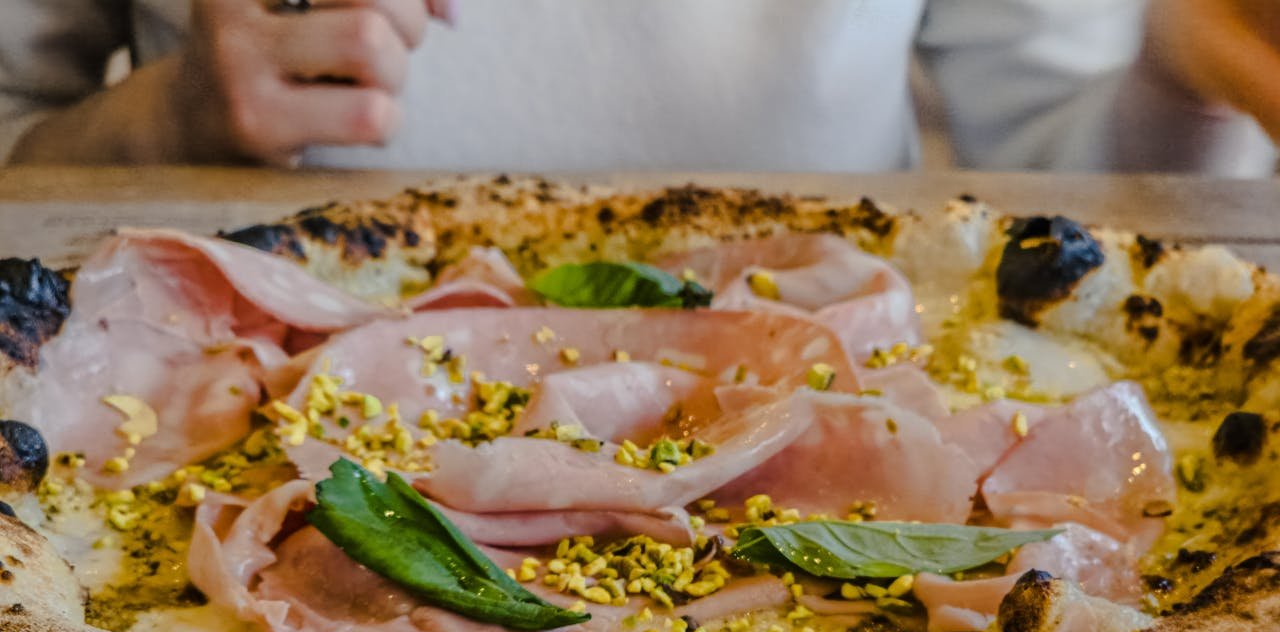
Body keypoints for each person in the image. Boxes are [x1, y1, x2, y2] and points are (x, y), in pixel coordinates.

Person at [0, 0, 1275, 175]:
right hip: (199, 478)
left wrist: (1181, 78)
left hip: (848, 486)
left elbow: (1061, 190)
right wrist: (161, 120)